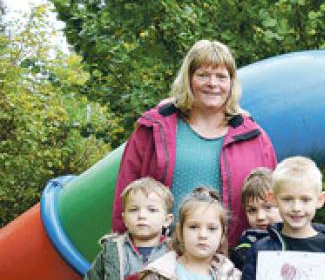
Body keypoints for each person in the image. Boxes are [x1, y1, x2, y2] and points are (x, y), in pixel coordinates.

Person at [112, 39, 277, 248]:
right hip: (158, 257)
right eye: (203, 75)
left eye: (221, 77)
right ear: (188, 80)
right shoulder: (154, 129)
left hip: (230, 262)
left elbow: (274, 201)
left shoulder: (254, 137)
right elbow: (125, 194)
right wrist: (124, 252)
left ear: (231, 83)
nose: (212, 83)